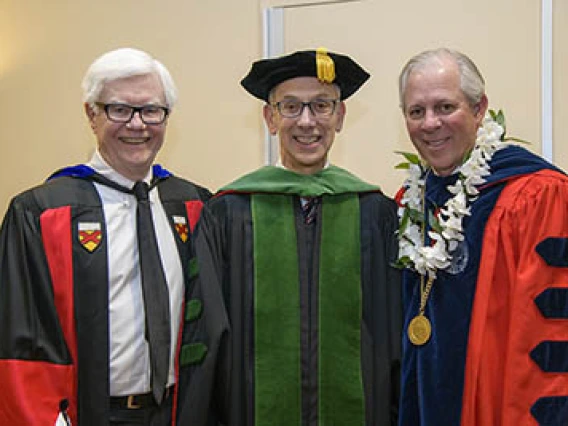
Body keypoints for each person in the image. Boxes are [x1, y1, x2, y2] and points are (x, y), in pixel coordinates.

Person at [0, 47, 228, 426]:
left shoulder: (195, 205)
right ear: (92, 114)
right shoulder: (40, 212)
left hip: (179, 411)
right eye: (119, 109)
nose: (137, 125)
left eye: (151, 110)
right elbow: (21, 338)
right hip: (88, 413)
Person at [207, 48, 402, 426]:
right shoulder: (230, 211)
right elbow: (214, 336)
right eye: (291, 107)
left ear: (340, 116)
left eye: (321, 106)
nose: (307, 122)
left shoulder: (373, 211)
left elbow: (392, 333)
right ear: (270, 117)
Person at [395, 47, 568, 426]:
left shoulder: (537, 197)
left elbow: (545, 338)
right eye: (416, 111)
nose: (430, 124)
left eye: (445, 107)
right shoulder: (411, 200)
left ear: (479, 109)